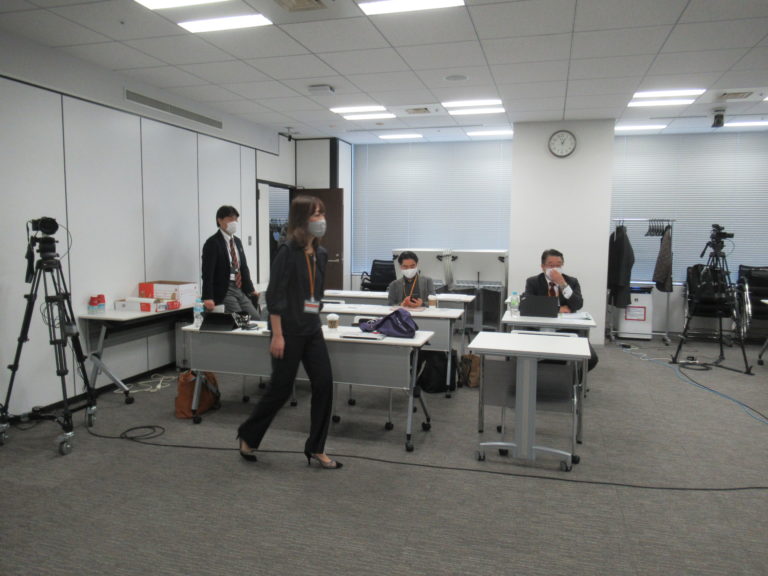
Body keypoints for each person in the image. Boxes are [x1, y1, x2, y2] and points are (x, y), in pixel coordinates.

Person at [237, 195, 341, 469]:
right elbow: (275, 295)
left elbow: (315, 293)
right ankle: (248, 434)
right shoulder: (287, 252)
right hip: (288, 331)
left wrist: (316, 309)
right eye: (315, 214)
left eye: (322, 213)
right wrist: (278, 335)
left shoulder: (320, 253)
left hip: (312, 329)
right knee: (280, 389)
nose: (321, 219)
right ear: (301, 219)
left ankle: (316, 448)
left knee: (324, 384)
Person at [523, 249, 597, 371]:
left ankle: (572, 380)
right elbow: (529, 305)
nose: (555, 269)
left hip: (566, 329)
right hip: (539, 328)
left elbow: (578, 304)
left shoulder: (571, 281)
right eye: (551, 265)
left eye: (558, 265)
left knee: (591, 359)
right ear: (543, 267)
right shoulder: (533, 282)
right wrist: (557, 308)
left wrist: (563, 284)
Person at [201, 205, 260, 318]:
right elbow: (207, 272)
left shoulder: (237, 241)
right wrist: (207, 297)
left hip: (239, 288)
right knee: (240, 319)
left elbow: (243, 268)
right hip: (224, 289)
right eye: (230, 219)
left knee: (256, 318)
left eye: (236, 219)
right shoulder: (212, 243)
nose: (234, 222)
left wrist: (251, 290)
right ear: (220, 220)